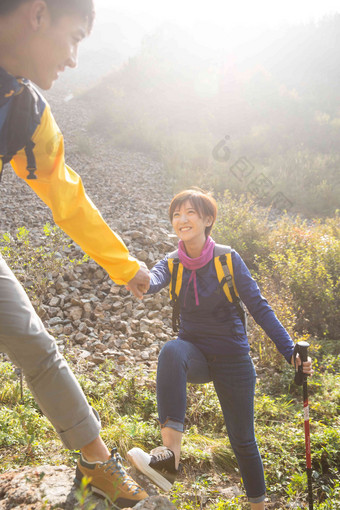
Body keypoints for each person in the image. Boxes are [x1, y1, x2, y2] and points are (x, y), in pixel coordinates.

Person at [0, 0, 150, 507]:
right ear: (38, 14)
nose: (73, 60)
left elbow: (68, 198)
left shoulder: (26, 110)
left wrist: (125, 266)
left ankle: (94, 462)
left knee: (36, 346)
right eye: (76, 38)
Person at [127, 189, 313, 509]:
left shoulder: (227, 258)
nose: (181, 219)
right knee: (171, 350)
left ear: (207, 219)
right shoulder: (171, 263)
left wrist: (290, 352)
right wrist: (135, 275)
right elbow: (152, 279)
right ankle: (169, 458)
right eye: (176, 214)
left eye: (190, 213)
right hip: (194, 355)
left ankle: (257, 504)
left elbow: (260, 308)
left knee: (242, 441)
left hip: (233, 358)